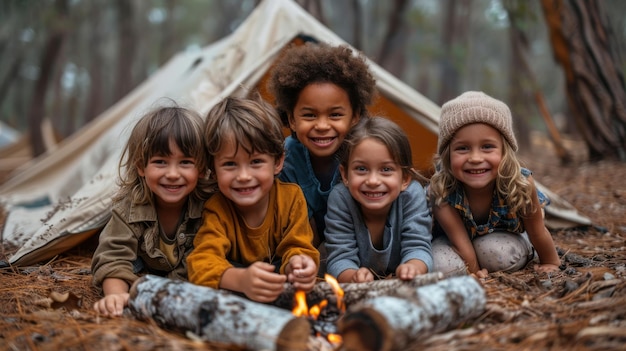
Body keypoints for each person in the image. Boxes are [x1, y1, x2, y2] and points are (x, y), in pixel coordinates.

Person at [186, 95, 320, 303]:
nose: (244, 176)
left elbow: (299, 245)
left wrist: (298, 264)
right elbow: (201, 262)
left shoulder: (291, 198)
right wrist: (240, 280)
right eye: (230, 164)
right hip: (238, 294)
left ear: (277, 162)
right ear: (213, 170)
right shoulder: (217, 208)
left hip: (281, 287)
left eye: (256, 162)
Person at [91, 103, 211, 316]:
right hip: (143, 266)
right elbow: (112, 255)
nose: (173, 173)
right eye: (160, 162)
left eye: (185, 162)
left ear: (201, 168)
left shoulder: (208, 209)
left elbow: (200, 264)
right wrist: (116, 295)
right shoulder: (130, 208)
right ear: (141, 166)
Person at [429, 91, 561, 278]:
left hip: (504, 238)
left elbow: (537, 230)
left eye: (487, 147)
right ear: (447, 153)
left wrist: (550, 261)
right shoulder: (442, 189)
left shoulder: (520, 183)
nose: (475, 158)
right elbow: (459, 241)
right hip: (454, 241)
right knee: (440, 266)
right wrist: (474, 272)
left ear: (504, 150)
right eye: (463, 148)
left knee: (498, 253)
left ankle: (522, 251)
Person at [267, 42, 377, 248]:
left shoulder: (367, 152)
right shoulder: (286, 159)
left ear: (355, 116)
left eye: (335, 115)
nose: (322, 126)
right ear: (291, 119)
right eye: (309, 115)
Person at [324, 117, 434, 283]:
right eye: (361, 169)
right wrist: (353, 276)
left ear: (404, 178)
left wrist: (413, 267)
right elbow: (339, 256)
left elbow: (418, 245)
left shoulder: (411, 195)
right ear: (345, 175)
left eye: (386, 169)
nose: (373, 181)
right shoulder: (341, 198)